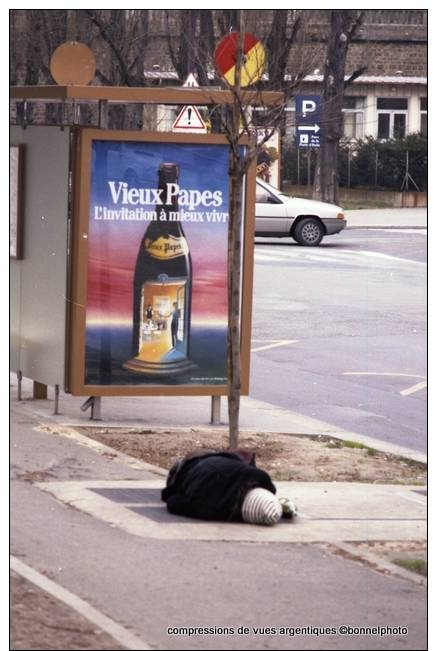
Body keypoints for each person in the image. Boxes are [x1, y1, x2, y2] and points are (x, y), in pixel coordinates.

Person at [161, 449, 295, 526]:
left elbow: (174, 504)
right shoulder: (261, 477)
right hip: (228, 477)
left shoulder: (206, 503)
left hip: (215, 486)